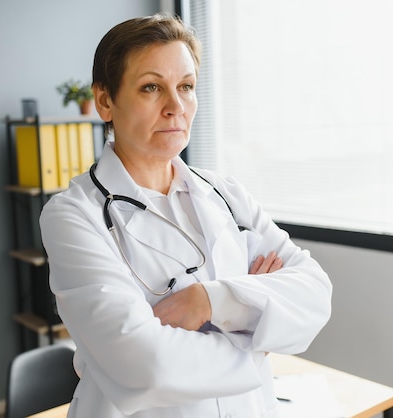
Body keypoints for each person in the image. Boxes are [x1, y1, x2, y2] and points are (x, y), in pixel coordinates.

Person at [39, 13, 332, 418]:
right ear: (105, 101)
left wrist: (211, 301)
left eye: (186, 86)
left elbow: (315, 294)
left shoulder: (226, 195)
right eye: (151, 87)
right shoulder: (73, 216)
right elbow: (146, 364)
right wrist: (257, 338)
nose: (175, 107)